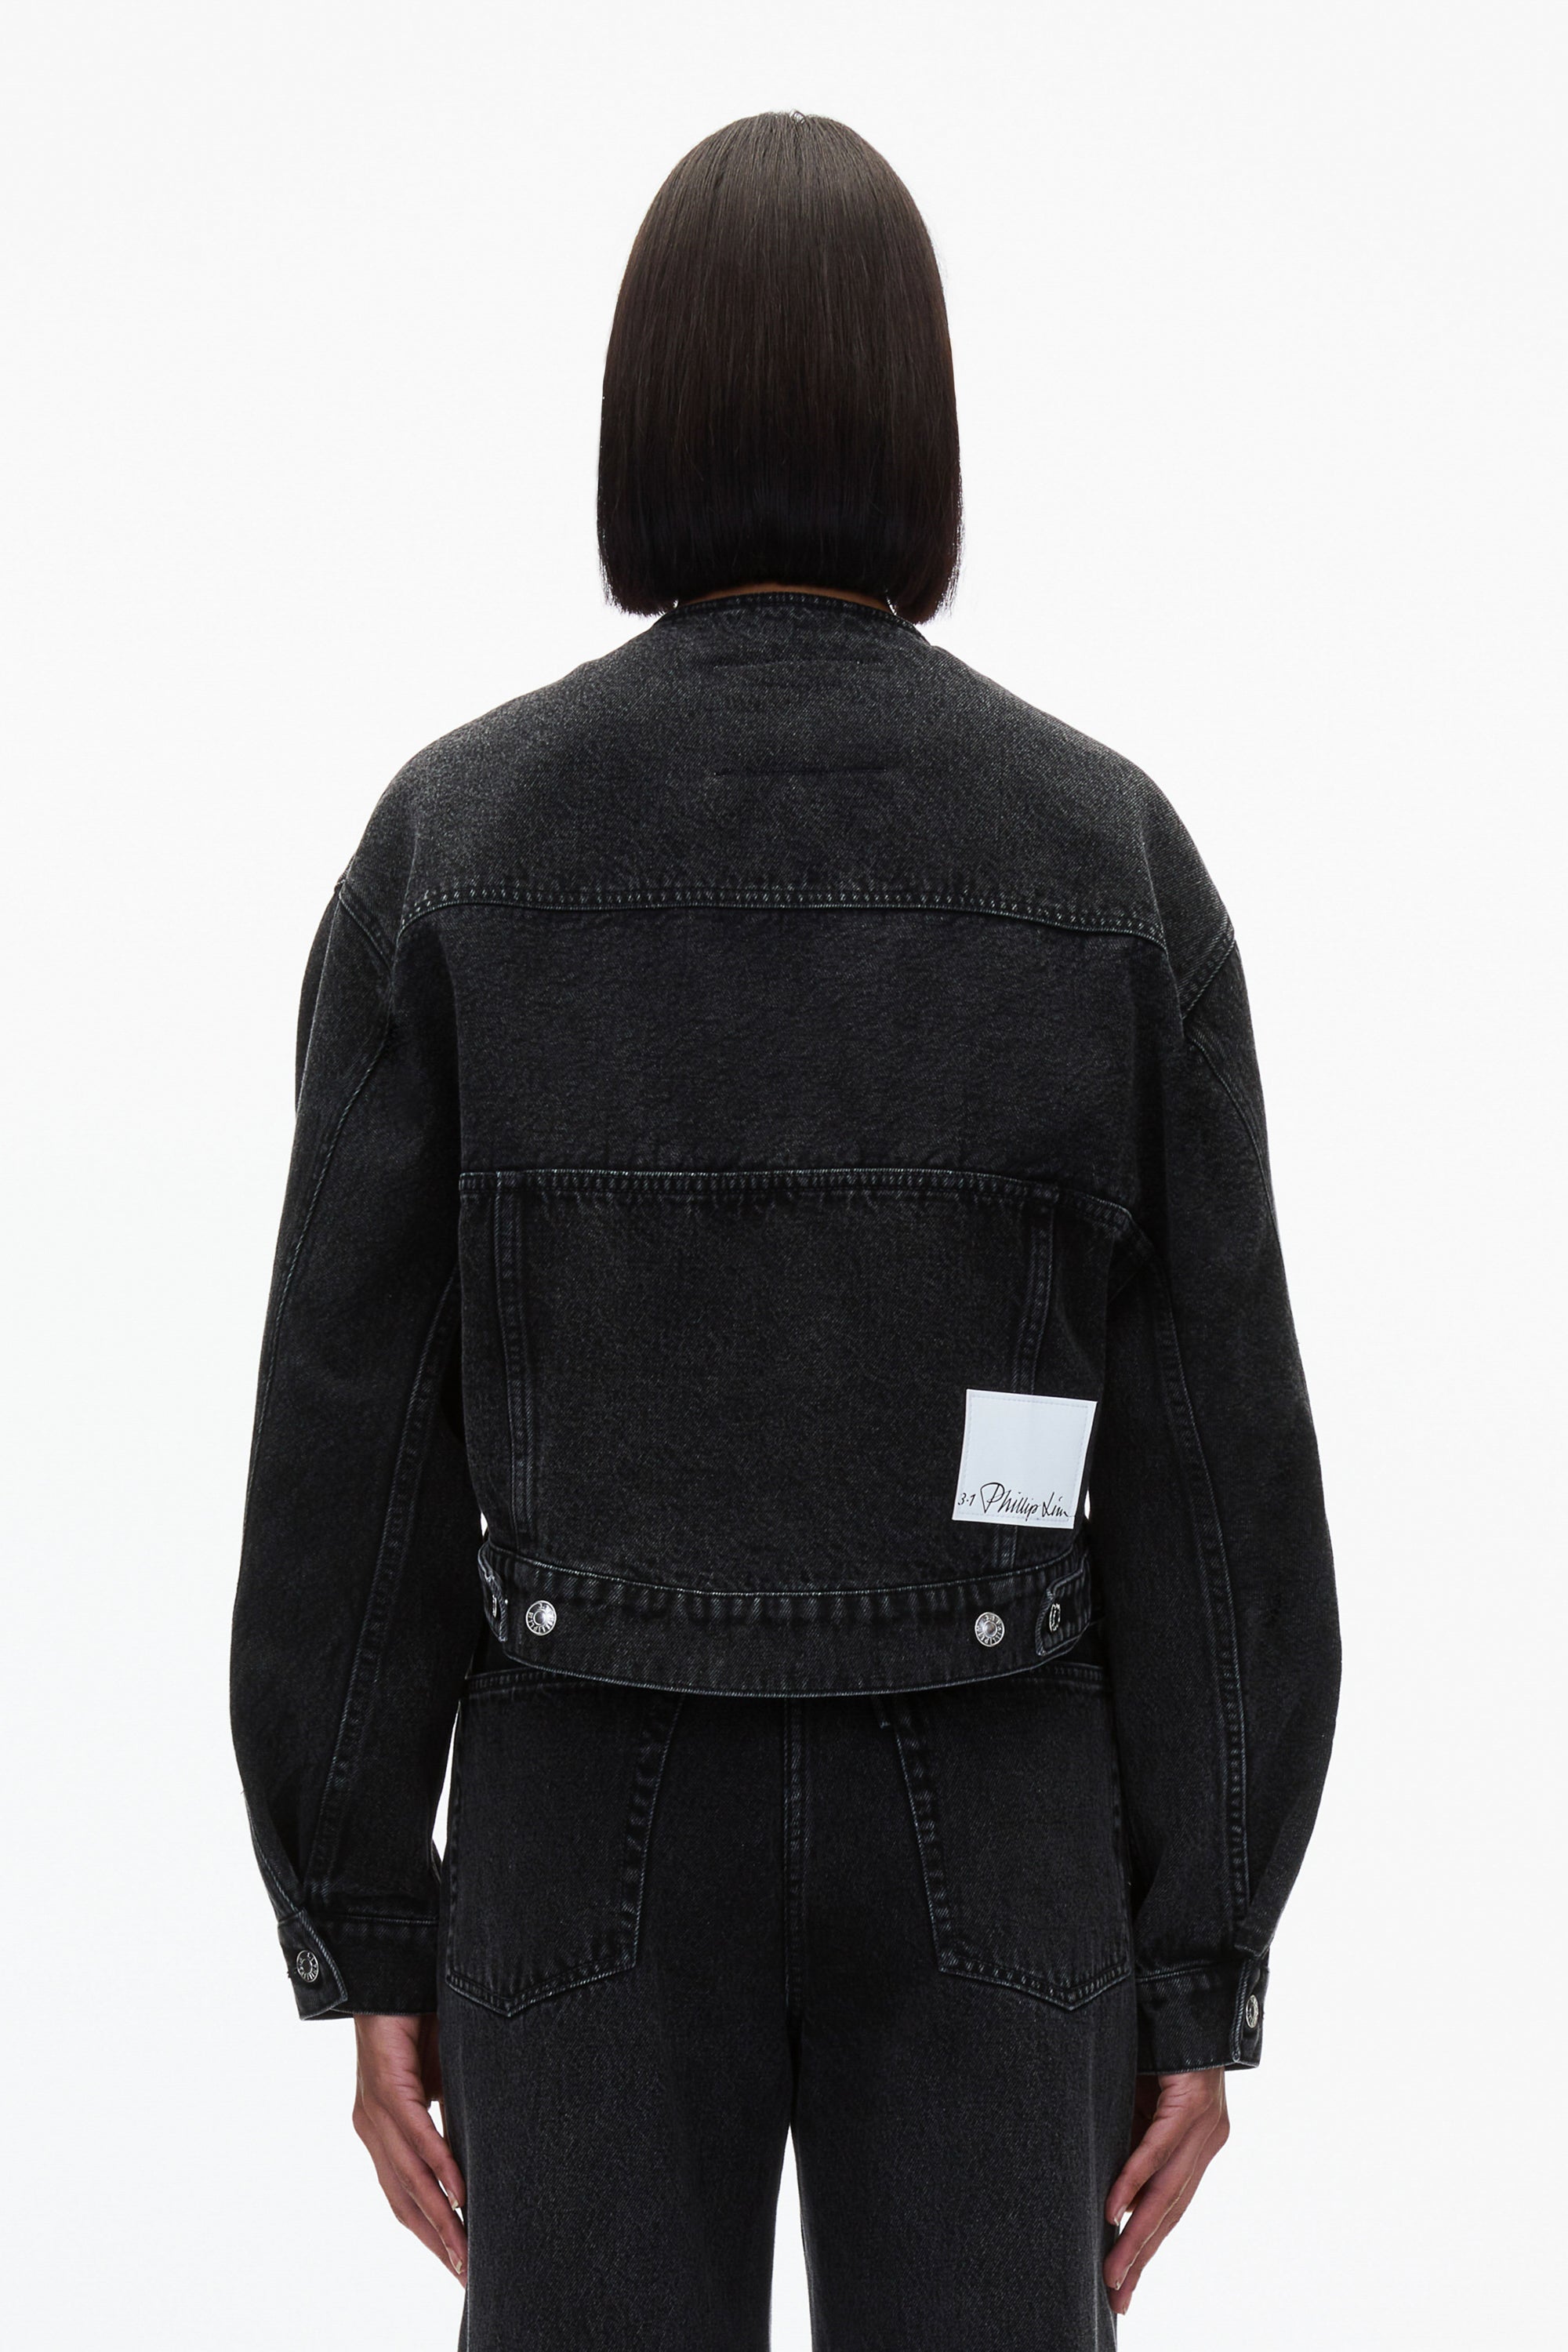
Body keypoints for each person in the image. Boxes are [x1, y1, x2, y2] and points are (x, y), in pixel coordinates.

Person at [230, 111, 1340, 2350]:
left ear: (641, 421)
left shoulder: (456, 843)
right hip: (1002, 1798)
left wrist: (368, 1915)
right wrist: (1199, 1953)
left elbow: (353, 1422)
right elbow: (1214, 1459)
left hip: (578, 1802)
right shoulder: (1106, 857)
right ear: (924, 432)